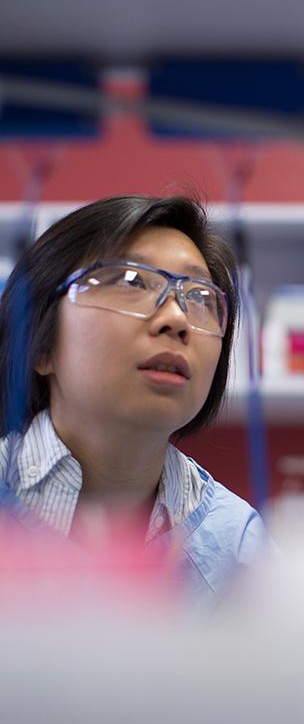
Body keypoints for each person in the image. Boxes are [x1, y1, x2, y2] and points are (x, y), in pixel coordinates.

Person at [0, 194, 276, 616]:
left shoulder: (237, 546)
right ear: (39, 344)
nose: (178, 319)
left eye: (201, 296)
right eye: (131, 281)